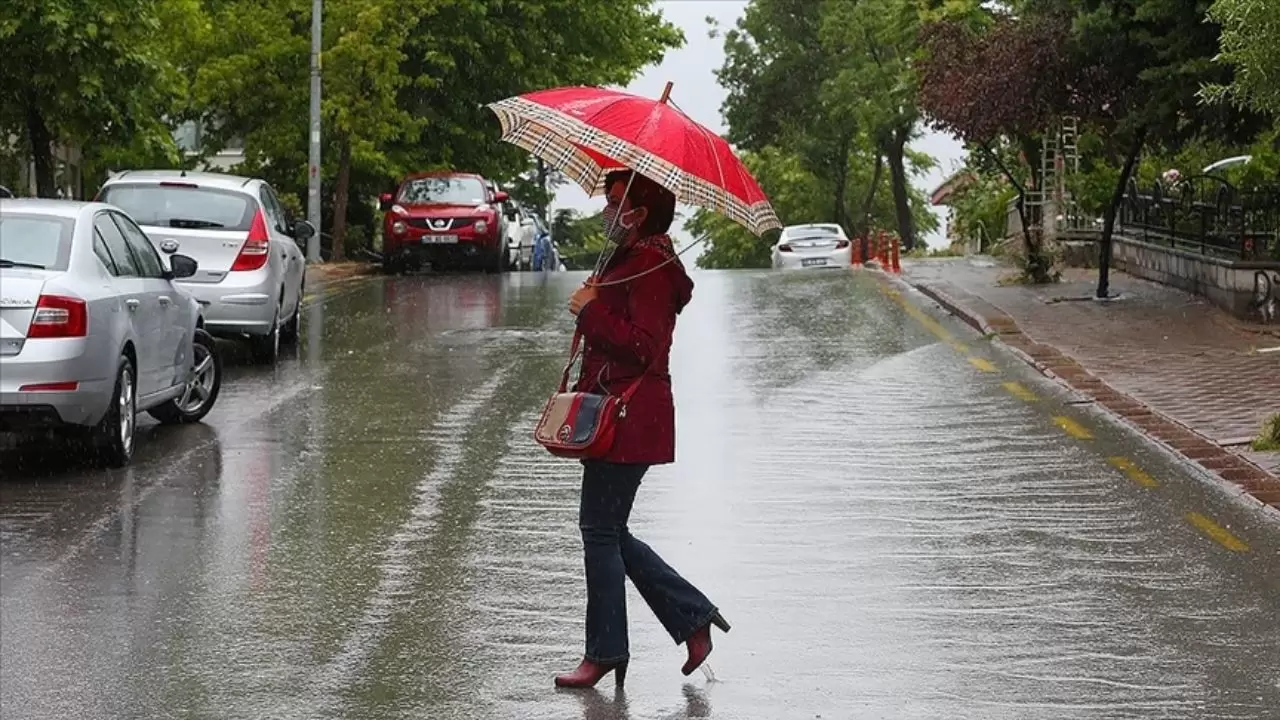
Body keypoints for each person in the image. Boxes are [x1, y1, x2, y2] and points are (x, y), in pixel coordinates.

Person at [556, 170, 730, 690]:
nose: (608, 212)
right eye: (609, 201)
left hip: (631, 415)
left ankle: (608, 650)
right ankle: (691, 620)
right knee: (607, 531)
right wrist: (594, 300)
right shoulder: (628, 261)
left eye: (616, 204)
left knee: (600, 531)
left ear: (641, 212)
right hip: (615, 411)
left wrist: (590, 312)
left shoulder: (652, 266)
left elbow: (643, 346)